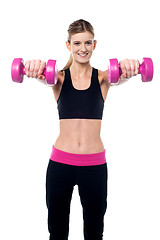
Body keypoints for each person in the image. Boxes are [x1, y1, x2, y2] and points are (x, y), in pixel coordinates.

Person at [25, 19, 140, 240]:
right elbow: (36, 72)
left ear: (94, 45)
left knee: (94, 233)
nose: (83, 49)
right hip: (60, 165)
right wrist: (30, 67)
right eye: (77, 43)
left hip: (94, 166)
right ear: (68, 45)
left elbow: (123, 74)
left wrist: (132, 66)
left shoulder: (104, 78)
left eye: (87, 43)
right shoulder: (56, 78)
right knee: (57, 233)